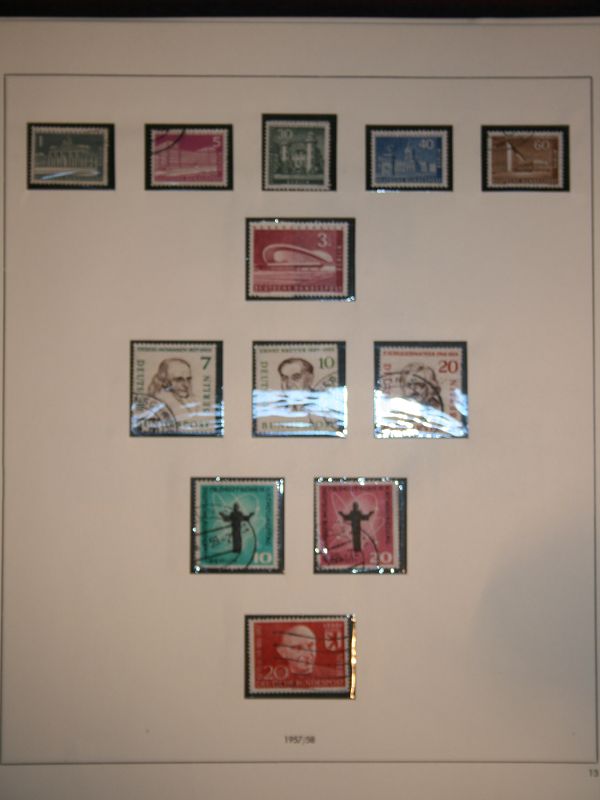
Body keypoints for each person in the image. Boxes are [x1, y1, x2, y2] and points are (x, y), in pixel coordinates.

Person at [147, 357, 202, 429]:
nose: (186, 385)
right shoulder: (159, 404)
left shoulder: (192, 400)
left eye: (188, 379)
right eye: (179, 379)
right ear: (164, 382)